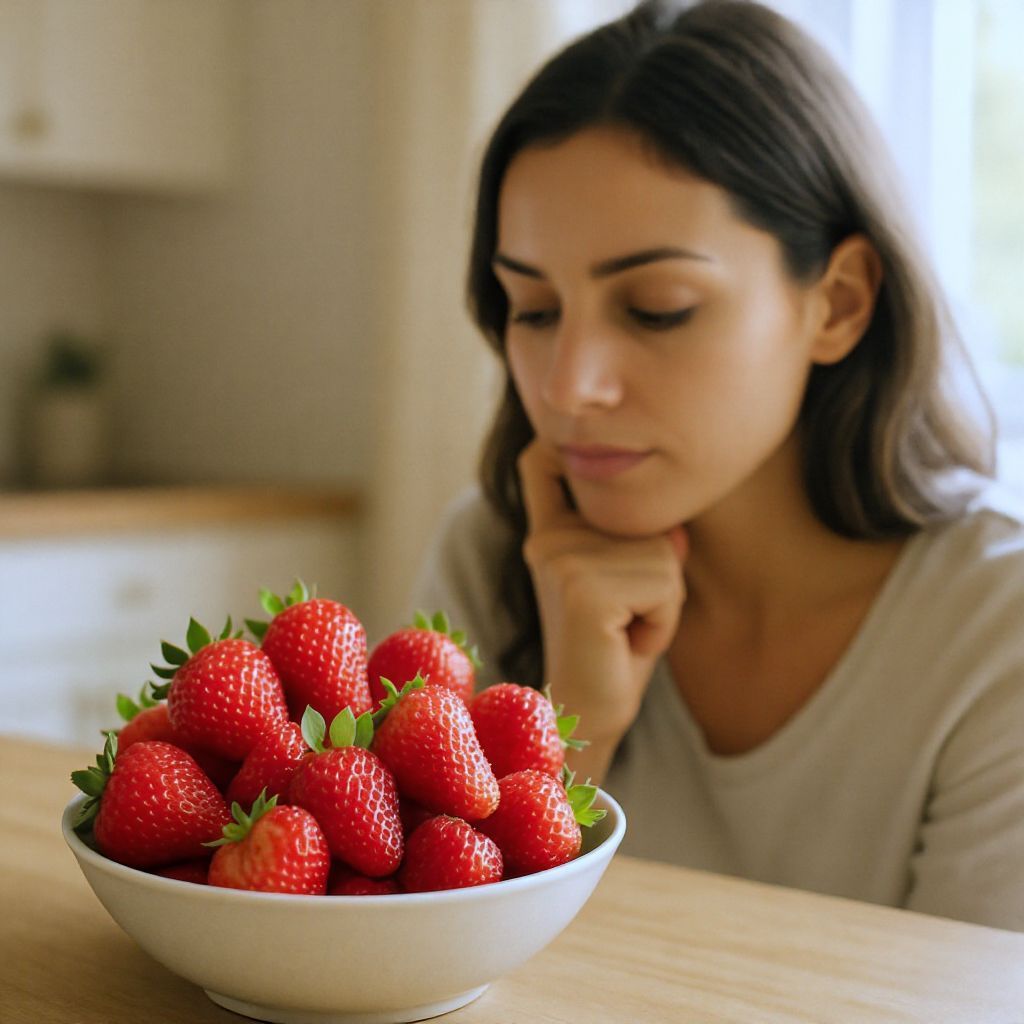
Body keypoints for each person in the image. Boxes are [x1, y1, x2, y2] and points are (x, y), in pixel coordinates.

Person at [410, 0, 1024, 931]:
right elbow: (412, 961)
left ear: (839, 304)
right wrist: (573, 723)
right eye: (533, 309)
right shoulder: (493, 554)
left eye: (657, 308)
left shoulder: (995, 634)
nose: (571, 385)